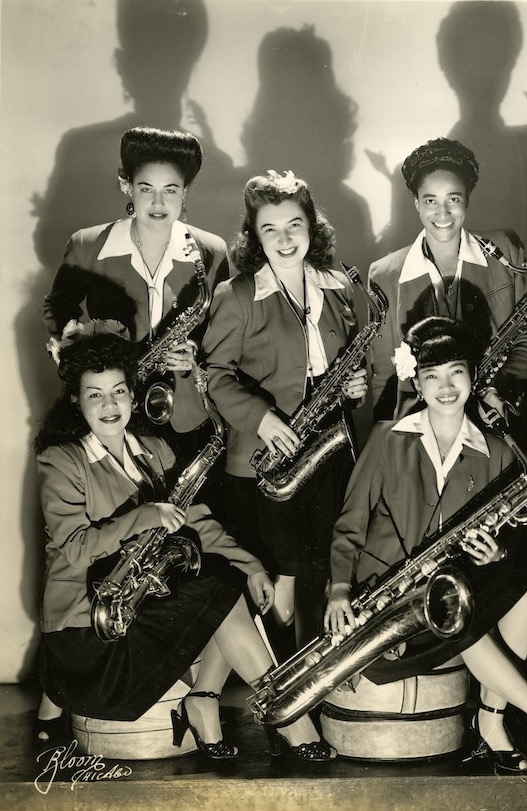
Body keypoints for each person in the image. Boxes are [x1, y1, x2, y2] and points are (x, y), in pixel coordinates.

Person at [324, 317, 527, 779]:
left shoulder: (495, 449)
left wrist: (494, 554)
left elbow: (508, 539)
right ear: (415, 381)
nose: (445, 386)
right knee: (465, 617)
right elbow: (350, 524)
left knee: (523, 594)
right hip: (389, 602)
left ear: (472, 376)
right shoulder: (384, 441)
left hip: (451, 591)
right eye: (432, 375)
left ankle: (491, 722)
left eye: (456, 372)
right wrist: (338, 589)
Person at [34, 327, 335, 761]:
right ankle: (282, 713)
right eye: (94, 394)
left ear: (133, 398)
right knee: (215, 587)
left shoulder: (155, 449)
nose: (109, 404)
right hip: (89, 634)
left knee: (227, 578)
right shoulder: (61, 460)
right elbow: (78, 549)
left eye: (118, 391)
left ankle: (228, 704)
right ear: (77, 402)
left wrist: (251, 565)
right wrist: (147, 514)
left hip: (136, 608)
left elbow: (197, 519)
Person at [203, 170, 367, 656]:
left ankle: (319, 684)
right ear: (254, 236)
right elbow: (215, 376)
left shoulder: (337, 287)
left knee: (324, 575)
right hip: (266, 462)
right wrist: (261, 418)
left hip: (328, 450)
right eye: (269, 229)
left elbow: (348, 364)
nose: (284, 238)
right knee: (281, 591)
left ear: (312, 228)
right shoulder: (236, 296)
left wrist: (356, 388)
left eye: (294, 225)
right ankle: (282, 708)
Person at [42, 126, 228, 443]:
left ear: (185, 191)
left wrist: (193, 352)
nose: (158, 202)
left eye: (170, 190)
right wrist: (74, 348)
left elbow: (222, 330)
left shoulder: (211, 250)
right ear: (126, 185)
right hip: (111, 409)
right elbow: (57, 309)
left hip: (182, 409)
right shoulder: (88, 244)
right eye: (146, 189)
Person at [368, 138, 527, 443]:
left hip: (500, 420)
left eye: (453, 199)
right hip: (422, 432)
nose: (442, 213)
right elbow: (384, 375)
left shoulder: (505, 249)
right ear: (416, 203)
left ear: (467, 199)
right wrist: (386, 445)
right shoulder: (384, 274)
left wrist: (498, 390)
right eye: (430, 200)